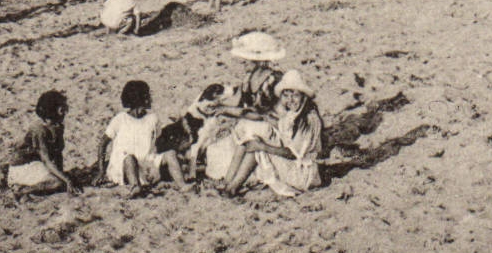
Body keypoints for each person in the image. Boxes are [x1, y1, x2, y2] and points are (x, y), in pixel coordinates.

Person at [221, 69, 323, 199]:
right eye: (286, 95)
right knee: (251, 139)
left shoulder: (309, 119)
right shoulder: (295, 113)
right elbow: (278, 124)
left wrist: (263, 146)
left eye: (295, 95)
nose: (290, 100)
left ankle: (232, 188)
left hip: (303, 174)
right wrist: (264, 118)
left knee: (258, 147)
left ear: (303, 96)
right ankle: (228, 182)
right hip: (295, 166)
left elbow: (293, 153)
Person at [201, 32, 286, 181]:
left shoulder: (273, 80)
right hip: (253, 123)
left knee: (249, 132)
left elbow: (259, 114)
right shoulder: (249, 77)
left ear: (257, 60)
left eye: (246, 60)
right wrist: (216, 105)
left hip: (272, 127)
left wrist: (226, 110)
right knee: (216, 152)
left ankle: (237, 179)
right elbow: (237, 100)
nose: (242, 62)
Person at [98, 80, 183, 197]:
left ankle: (182, 185)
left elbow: (159, 142)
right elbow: (102, 144)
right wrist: (101, 171)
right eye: (148, 95)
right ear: (141, 98)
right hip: (124, 167)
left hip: (145, 165)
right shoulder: (121, 119)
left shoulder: (153, 119)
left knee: (170, 153)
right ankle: (135, 186)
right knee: (129, 158)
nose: (151, 99)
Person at [7, 90, 80, 194]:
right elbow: (46, 159)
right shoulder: (39, 130)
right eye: (61, 109)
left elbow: (58, 154)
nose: (64, 112)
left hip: (38, 163)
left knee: (60, 180)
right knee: (56, 182)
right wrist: (66, 179)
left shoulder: (57, 126)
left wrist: (62, 174)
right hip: (23, 167)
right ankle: (22, 190)